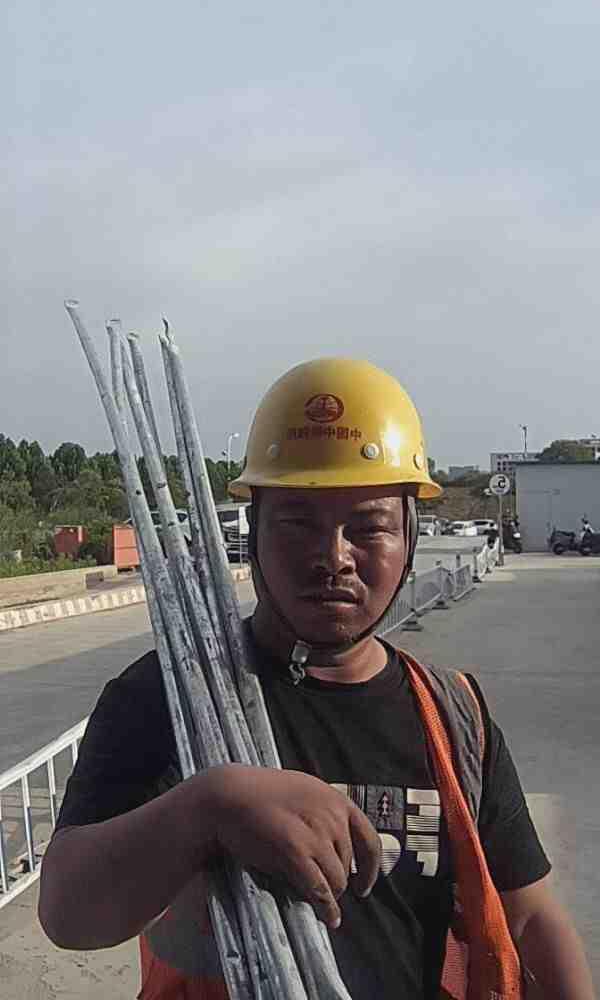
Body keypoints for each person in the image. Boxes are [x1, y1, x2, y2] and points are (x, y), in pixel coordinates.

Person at [39, 359, 595, 999]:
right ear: (254, 531)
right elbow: (69, 915)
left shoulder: (453, 718)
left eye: (369, 527)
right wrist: (210, 807)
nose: (334, 557)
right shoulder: (170, 700)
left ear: (411, 535)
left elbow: (529, 915)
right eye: (298, 523)